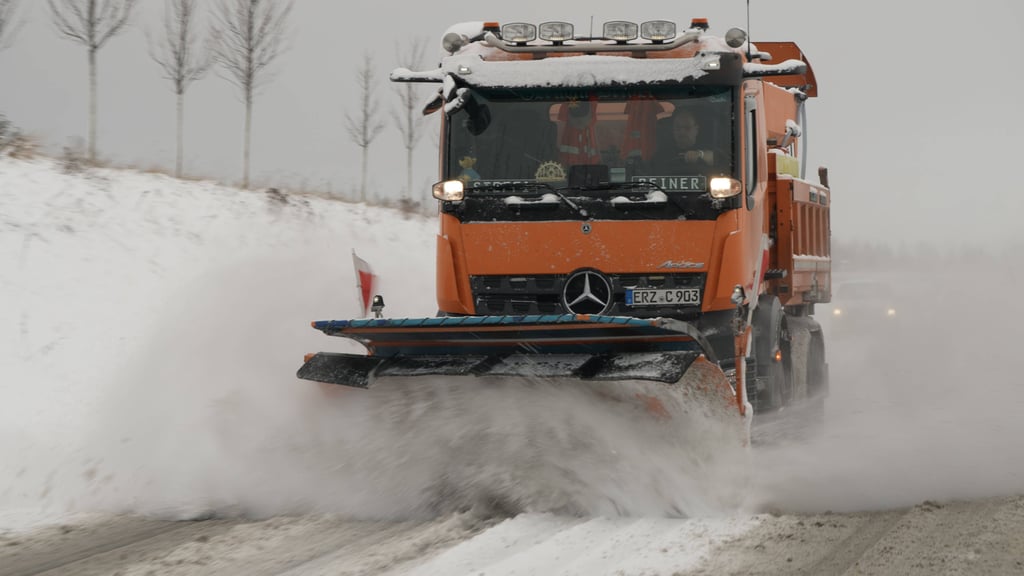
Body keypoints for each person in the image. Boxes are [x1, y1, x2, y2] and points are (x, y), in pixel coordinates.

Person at [650, 108, 719, 172]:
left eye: (687, 127)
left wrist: (699, 154)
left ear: (696, 129)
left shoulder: (707, 147)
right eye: (678, 128)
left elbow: (717, 159)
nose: (682, 132)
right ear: (673, 130)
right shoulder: (662, 154)